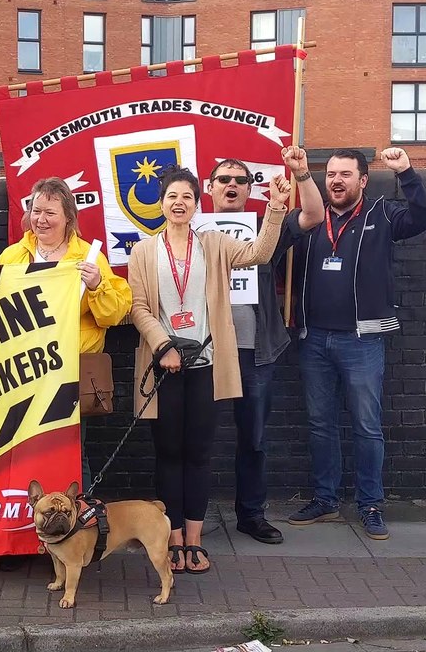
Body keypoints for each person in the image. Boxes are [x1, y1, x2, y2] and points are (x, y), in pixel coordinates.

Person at [128, 166, 290, 574]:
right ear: (161, 203)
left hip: (206, 364)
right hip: (163, 367)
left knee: (198, 454)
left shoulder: (215, 244)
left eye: (187, 196)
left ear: (197, 204)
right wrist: (163, 345)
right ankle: (173, 536)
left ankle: (194, 540)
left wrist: (274, 208)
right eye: (171, 196)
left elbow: (260, 253)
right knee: (168, 454)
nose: (179, 202)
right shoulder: (144, 251)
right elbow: (139, 307)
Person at [0, 176, 132, 572]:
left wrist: (97, 285)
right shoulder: (14, 256)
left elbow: (114, 314)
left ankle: (77, 540)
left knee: (70, 454)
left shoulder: (89, 257)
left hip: (69, 376)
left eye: (50, 211)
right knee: (16, 455)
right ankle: (17, 539)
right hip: (21, 376)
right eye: (35, 211)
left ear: (68, 216)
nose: (41, 219)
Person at [286, 146, 426, 541]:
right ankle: (326, 500)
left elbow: (423, 217)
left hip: (362, 338)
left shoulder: (382, 213)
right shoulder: (309, 217)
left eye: (345, 174)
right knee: (321, 425)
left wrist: (405, 172)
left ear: (363, 180)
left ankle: (371, 504)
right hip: (313, 338)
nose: (336, 180)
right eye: (331, 174)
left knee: (367, 426)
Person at [206, 147, 325, 544]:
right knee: (195, 436)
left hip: (256, 350)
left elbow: (312, 217)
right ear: (210, 188)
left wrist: (302, 175)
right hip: (204, 350)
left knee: (253, 438)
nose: (233, 185)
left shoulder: (266, 225)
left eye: (241, 180)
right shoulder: (191, 229)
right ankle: (188, 520)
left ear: (249, 189)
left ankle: (251, 515)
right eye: (224, 178)